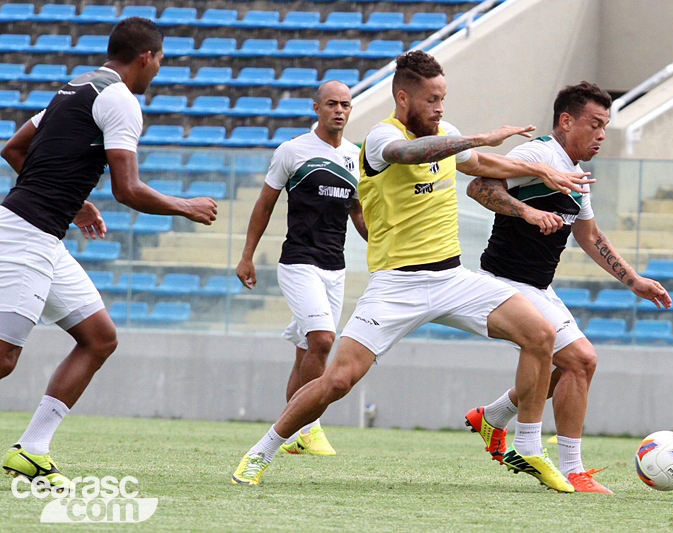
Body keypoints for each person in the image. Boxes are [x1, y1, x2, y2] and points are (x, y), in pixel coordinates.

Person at [232, 50, 593, 492]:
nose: (440, 108)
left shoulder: (448, 134)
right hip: (397, 285)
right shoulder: (381, 138)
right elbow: (410, 153)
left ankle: (529, 447)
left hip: (453, 279)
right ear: (403, 98)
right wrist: (480, 137)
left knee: (540, 334)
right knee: (337, 381)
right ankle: (262, 451)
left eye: (443, 98)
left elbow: (480, 165)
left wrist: (537, 170)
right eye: (431, 100)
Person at [0, 17, 218, 490]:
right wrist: (186, 206)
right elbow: (128, 189)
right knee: (2, 358)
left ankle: (32, 451)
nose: (159, 68)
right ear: (147, 57)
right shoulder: (120, 98)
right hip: (25, 236)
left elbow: (14, 148)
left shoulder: (76, 86)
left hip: (43, 235)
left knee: (99, 337)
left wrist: (75, 204)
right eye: (160, 60)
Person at [464, 81, 671, 493]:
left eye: (605, 127)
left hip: (538, 287)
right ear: (566, 120)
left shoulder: (575, 174)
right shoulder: (538, 154)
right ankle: (571, 469)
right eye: (594, 124)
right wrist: (525, 211)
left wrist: (634, 281)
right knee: (581, 361)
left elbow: (589, 234)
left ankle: (493, 416)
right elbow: (479, 185)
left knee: (570, 365)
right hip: (502, 282)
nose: (601, 135)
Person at [235, 80, 368, 457]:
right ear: (317, 108)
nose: (339, 110)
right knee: (323, 340)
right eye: (331, 104)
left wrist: (379, 240)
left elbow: (356, 211)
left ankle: (289, 434)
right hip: (298, 263)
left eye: (345, 104)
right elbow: (264, 204)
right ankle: (309, 425)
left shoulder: (355, 158)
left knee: (305, 349)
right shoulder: (292, 151)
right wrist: (247, 256)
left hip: (334, 268)